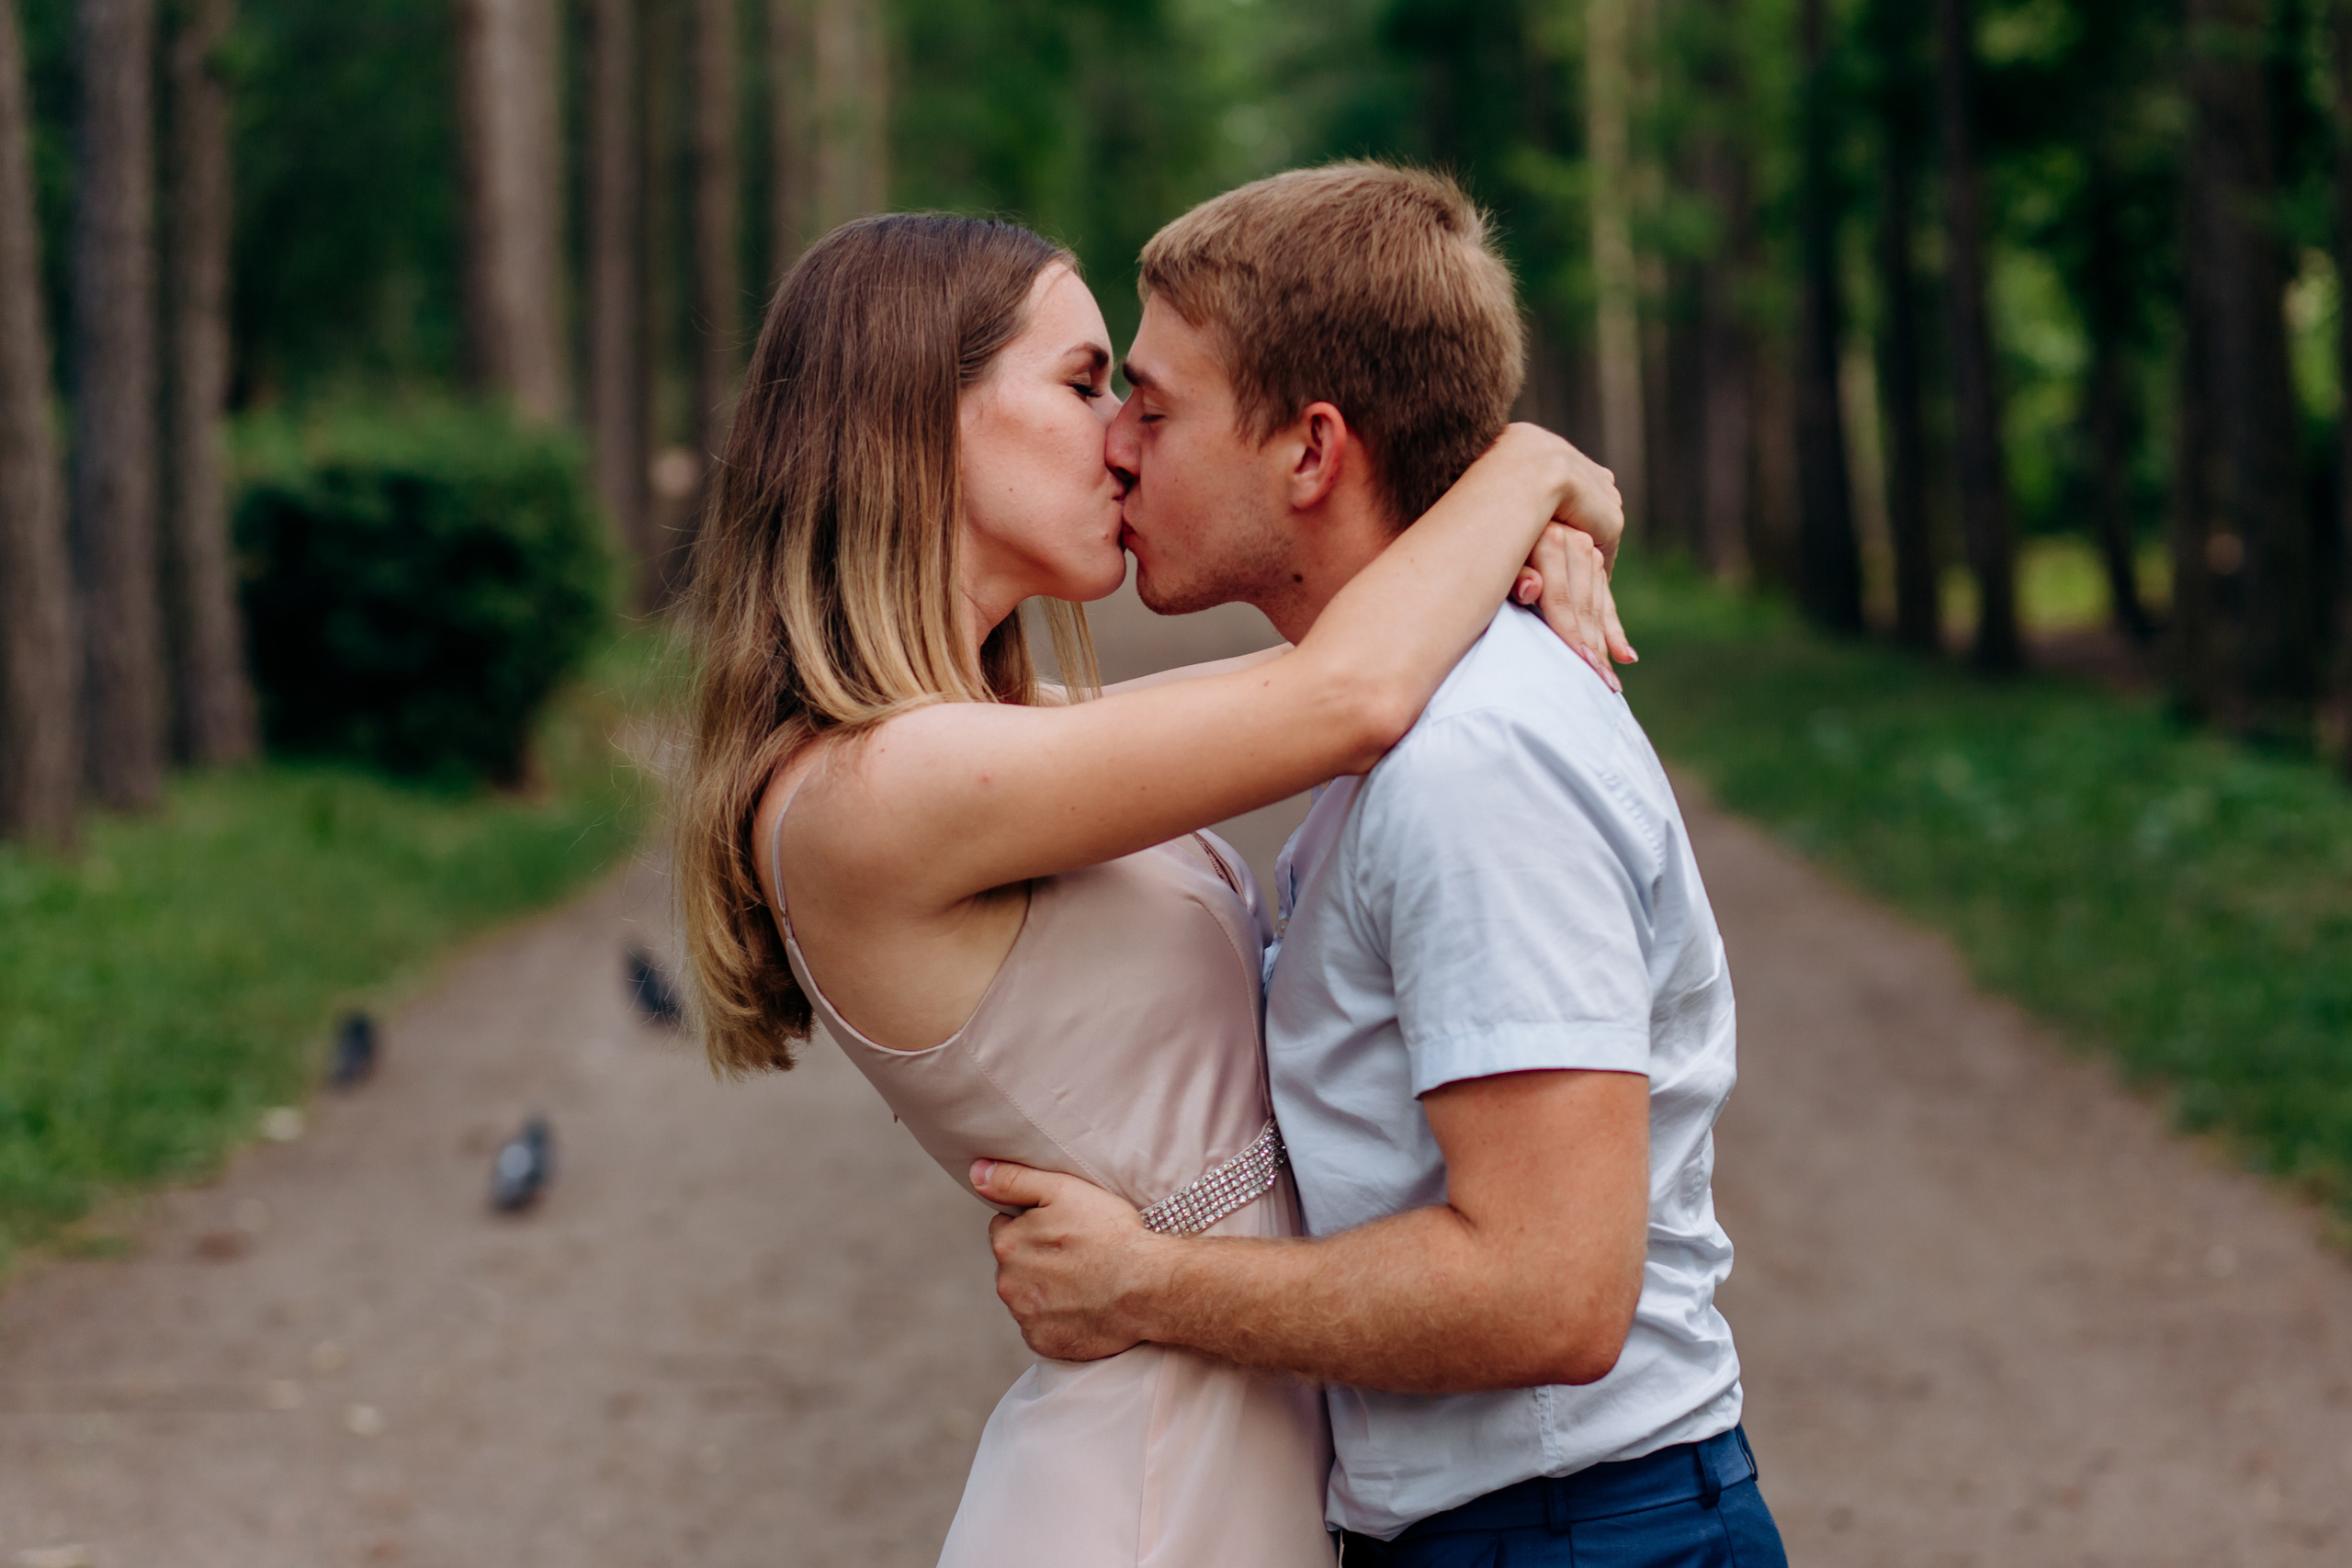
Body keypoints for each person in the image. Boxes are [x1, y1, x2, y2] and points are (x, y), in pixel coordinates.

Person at [673, 204, 1626, 1568]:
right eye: (1080, 384)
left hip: (1241, 1443)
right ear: (913, 417)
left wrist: (1512, 547)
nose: (1123, 432)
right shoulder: (871, 796)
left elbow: (1358, 651)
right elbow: (1345, 693)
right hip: (1146, 1494)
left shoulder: (1008, 738)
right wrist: (1523, 468)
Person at [975, 164, 1789, 1568]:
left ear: (1310, 451)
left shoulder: (1474, 759)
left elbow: (1550, 1296)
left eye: (1154, 409)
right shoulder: (1408, 718)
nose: (1116, 447)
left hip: (1574, 1537)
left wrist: (1143, 1286)